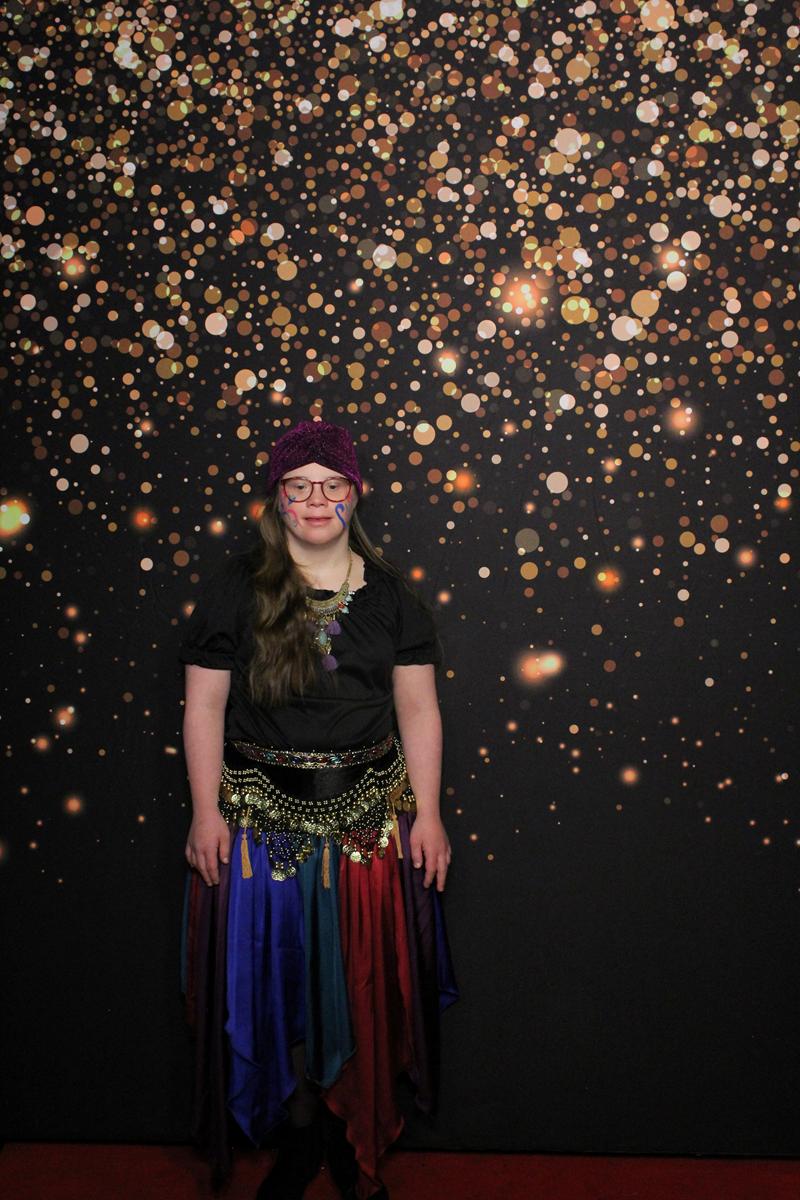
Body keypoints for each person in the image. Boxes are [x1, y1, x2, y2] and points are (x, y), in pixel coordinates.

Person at [178, 418, 458, 1200]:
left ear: (354, 494)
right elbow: (204, 708)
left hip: (369, 828)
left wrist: (430, 815)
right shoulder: (237, 587)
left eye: (331, 485)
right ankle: (298, 1137)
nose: (314, 500)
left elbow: (419, 710)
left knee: (360, 985)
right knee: (274, 986)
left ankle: (348, 1138)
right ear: (277, 497)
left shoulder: (392, 595)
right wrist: (204, 814)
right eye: (298, 486)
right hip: (257, 828)